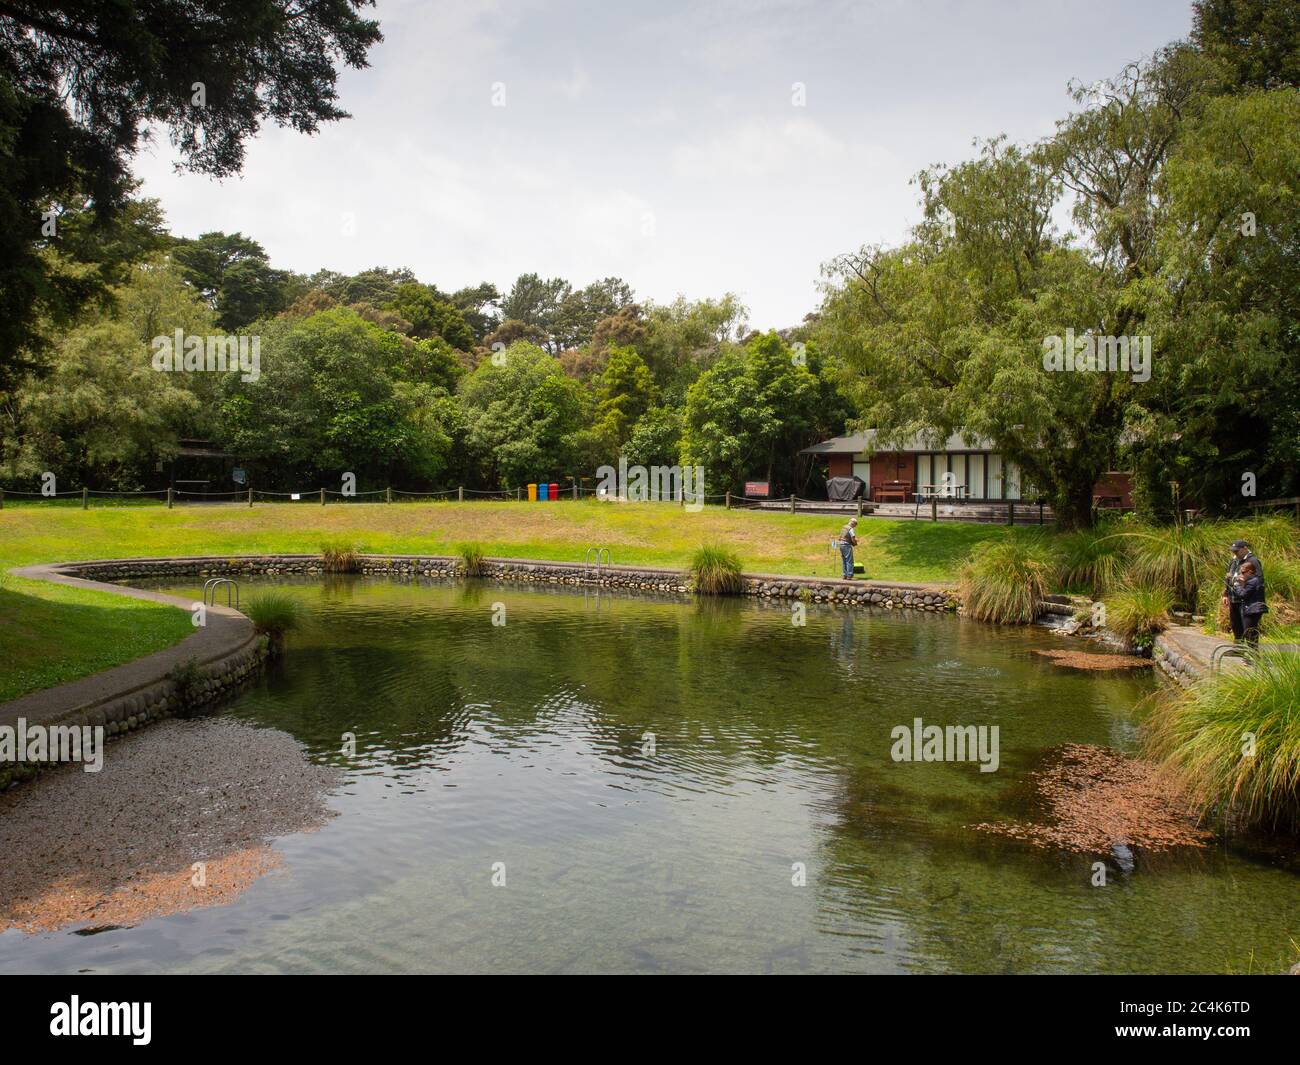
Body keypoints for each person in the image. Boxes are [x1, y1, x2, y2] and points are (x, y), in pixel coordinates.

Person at [1222, 539, 1265, 642]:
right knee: (1235, 625)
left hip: (1247, 601)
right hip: (1234, 599)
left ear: (1245, 549)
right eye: (1233, 551)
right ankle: (1238, 649)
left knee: (1249, 629)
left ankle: (1252, 654)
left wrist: (1240, 580)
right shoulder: (1233, 560)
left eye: (1237, 551)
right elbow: (1228, 577)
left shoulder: (1253, 560)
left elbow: (1258, 580)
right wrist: (1225, 593)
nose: (1235, 553)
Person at [1231, 559, 1268, 648]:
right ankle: (1251, 655)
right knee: (1250, 633)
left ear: (1250, 571)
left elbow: (1243, 594)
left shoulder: (1253, 581)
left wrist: (1237, 585)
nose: (1241, 574)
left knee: (1250, 633)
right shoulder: (1253, 580)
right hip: (1252, 609)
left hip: (1252, 610)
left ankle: (1253, 656)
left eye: (1243, 572)